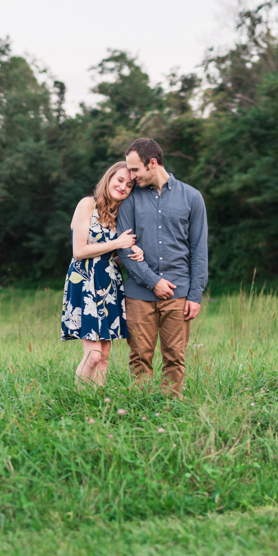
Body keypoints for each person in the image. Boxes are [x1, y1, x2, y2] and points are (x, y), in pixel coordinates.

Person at [116, 137, 208, 395]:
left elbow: (199, 249)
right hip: (138, 294)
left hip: (179, 294)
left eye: (134, 169)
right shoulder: (130, 199)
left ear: (152, 163)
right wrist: (153, 281)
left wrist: (195, 294)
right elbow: (123, 247)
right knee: (139, 359)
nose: (131, 176)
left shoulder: (192, 197)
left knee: (175, 358)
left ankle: (170, 411)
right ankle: (142, 411)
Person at [61, 161, 144, 386]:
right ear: (108, 178)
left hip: (109, 283)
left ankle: (97, 403)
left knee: (104, 356)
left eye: (129, 185)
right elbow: (79, 251)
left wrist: (129, 255)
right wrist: (119, 242)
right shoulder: (88, 204)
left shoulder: (121, 213)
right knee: (94, 355)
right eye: (119, 180)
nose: (123, 187)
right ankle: (78, 397)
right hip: (85, 281)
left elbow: (111, 257)